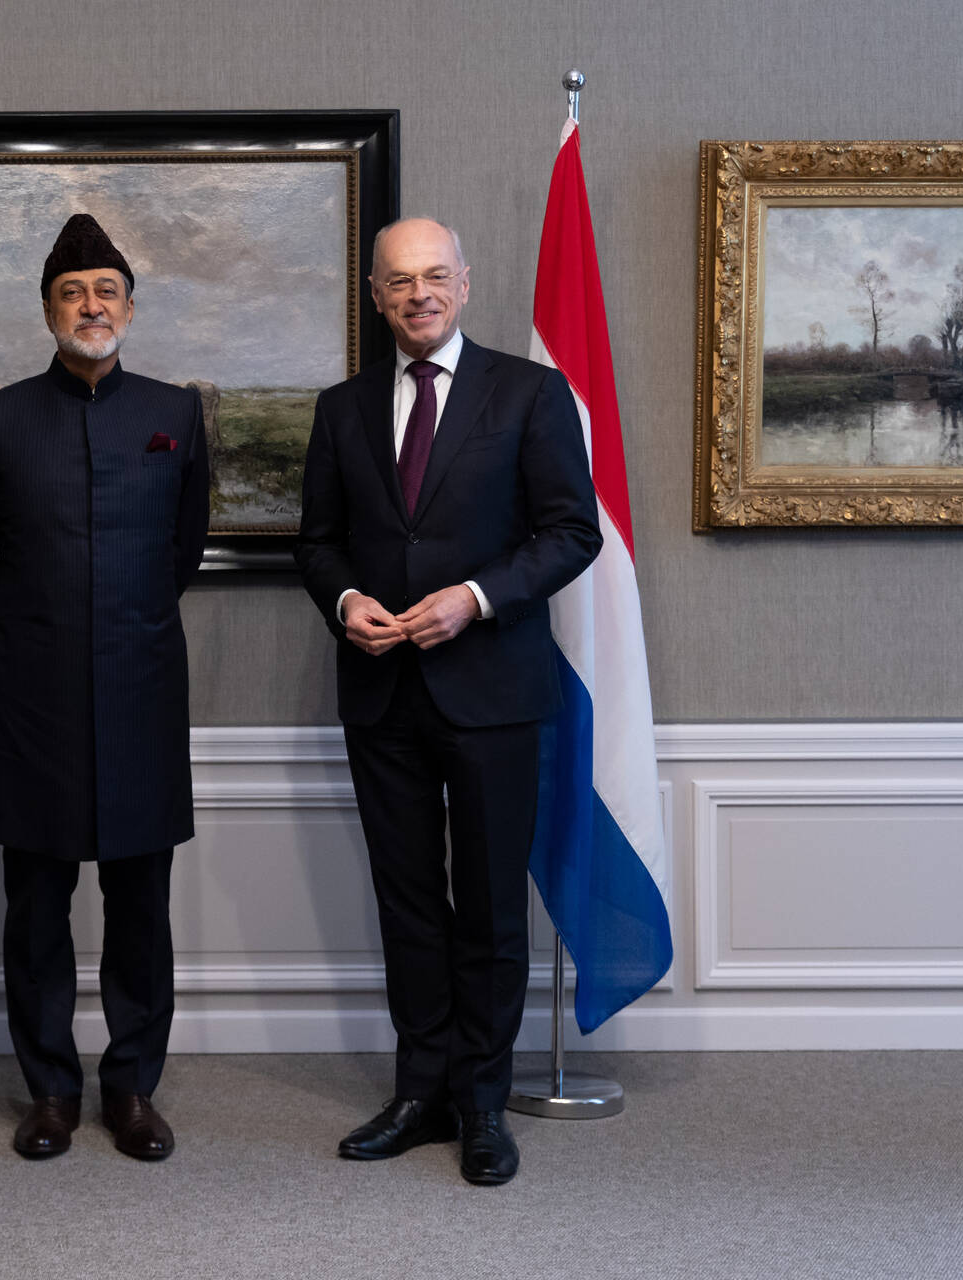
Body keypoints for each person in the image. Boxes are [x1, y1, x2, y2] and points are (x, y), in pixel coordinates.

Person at [294, 217, 601, 1186]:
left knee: (490, 911)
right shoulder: (341, 409)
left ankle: (482, 1101)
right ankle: (420, 1090)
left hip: (495, 692)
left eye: (435, 275)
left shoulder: (530, 393)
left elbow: (572, 532)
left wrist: (473, 597)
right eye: (399, 280)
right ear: (376, 296)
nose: (418, 293)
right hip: (382, 692)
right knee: (409, 904)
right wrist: (345, 600)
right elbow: (317, 542)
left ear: (464, 284)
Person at [0, 213, 210, 1162]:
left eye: (106, 292)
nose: (90, 306)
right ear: (48, 311)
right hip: (37, 705)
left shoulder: (176, 414)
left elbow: (183, 550)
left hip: (145, 696)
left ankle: (132, 1087)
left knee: (141, 911)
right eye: (71, 293)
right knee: (35, 913)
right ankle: (50, 1089)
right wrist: (36, 631)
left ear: (130, 307)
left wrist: (123, 624)